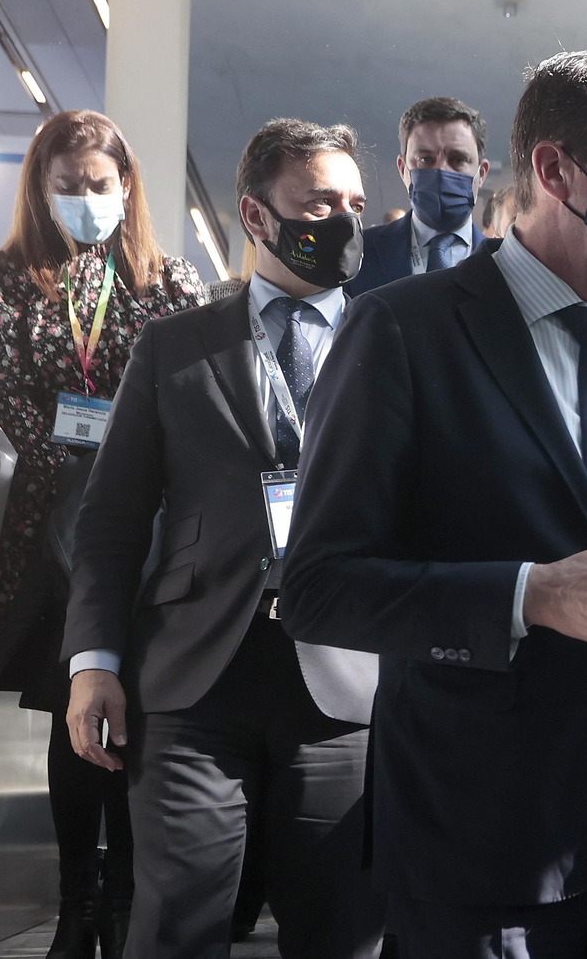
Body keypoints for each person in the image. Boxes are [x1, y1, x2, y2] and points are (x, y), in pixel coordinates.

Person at [281, 51, 587, 956]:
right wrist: (532, 594)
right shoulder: (402, 330)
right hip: (483, 826)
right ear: (554, 169)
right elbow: (319, 586)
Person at [61, 118, 385, 959]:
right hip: (193, 680)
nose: (344, 221)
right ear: (255, 214)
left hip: (345, 683)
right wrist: (93, 661)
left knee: (341, 932)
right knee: (176, 926)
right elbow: (111, 516)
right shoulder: (176, 344)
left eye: (354, 203)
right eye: (320, 203)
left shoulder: (396, 344)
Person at [0, 109, 203, 959]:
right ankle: (76, 904)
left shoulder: (168, 281)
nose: (84, 197)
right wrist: (72, 449)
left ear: (126, 185)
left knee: (139, 710)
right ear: (40, 190)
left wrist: (123, 458)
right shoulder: (11, 280)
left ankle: (124, 900)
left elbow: (192, 394)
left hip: (148, 526)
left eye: (98, 183)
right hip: (47, 522)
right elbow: (7, 389)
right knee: (70, 709)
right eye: (67, 185)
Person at [346, 97, 489, 296]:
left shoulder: (502, 262)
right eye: (425, 159)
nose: (441, 171)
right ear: (402, 169)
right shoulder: (359, 254)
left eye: (458, 159)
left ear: (481, 173)